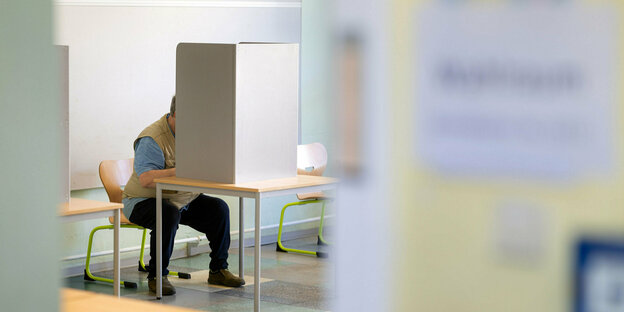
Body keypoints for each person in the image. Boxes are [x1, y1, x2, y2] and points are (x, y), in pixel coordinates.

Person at [122, 95, 245, 295]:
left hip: (181, 199)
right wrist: (180, 170)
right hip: (142, 201)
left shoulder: (193, 134)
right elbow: (146, 179)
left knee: (219, 209)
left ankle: (218, 270)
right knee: (168, 213)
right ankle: (157, 276)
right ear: (176, 115)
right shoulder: (152, 138)